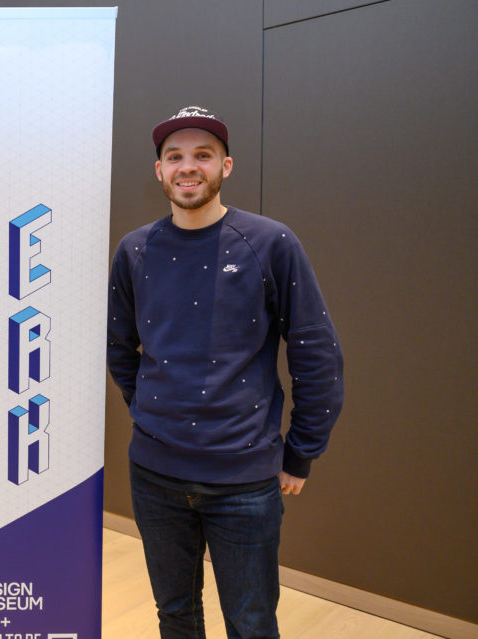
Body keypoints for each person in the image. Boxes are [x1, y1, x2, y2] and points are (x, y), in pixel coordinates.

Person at [106, 106, 344, 639]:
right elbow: (119, 346)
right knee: (175, 616)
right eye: (174, 157)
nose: (188, 167)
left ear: (226, 166)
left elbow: (316, 352)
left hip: (244, 483)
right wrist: (148, 409)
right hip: (154, 476)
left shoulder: (271, 243)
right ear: (160, 171)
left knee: (251, 624)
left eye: (203, 155)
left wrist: (301, 453)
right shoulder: (135, 250)